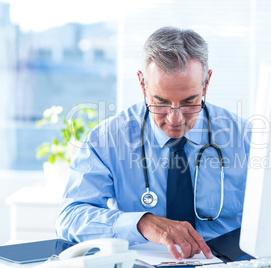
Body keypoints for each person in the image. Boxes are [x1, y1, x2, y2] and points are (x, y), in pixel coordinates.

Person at [56, 26, 251, 261]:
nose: (174, 119)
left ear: (206, 84)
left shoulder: (246, 138)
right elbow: (69, 217)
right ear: (142, 84)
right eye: (160, 102)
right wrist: (141, 223)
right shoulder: (107, 140)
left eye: (190, 102)